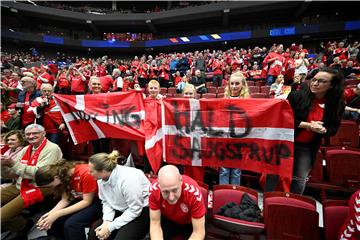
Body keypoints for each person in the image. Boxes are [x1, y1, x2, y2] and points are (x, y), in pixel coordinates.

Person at [266, 68, 345, 194]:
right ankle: (268, 203)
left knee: (299, 179)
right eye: (314, 80)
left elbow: (333, 129)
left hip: (307, 147)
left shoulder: (336, 105)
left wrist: (323, 130)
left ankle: (293, 207)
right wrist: (308, 125)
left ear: (332, 86)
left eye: (321, 81)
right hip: (285, 142)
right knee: (274, 175)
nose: (315, 83)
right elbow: (284, 120)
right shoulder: (296, 96)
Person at [0, 124, 63, 237]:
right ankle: (17, 223)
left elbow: (40, 174)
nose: (31, 136)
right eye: (28, 134)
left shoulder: (52, 148)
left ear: (44, 134)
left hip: (39, 187)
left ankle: (22, 224)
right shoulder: (26, 149)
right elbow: (12, 174)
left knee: (1, 217)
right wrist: (3, 166)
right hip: (20, 185)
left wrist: (13, 163)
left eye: (35, 133)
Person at [88, 150, 150, 240]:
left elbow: (135, 209)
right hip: (121, 208)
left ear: (103, 171)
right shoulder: (100, 179)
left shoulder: (128, 180)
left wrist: (110, 228)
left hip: (141, 211)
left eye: (91, 171)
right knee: (94, 235)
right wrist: (107, 221)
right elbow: (106, 201)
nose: (89, 174)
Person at [35, 160, 102, 240]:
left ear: (56, 178)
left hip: (98, 201)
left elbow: (87, 201)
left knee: (72, 224)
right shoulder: (63, 176)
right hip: (81, 199)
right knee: (55, 222)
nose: (52, 188)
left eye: (51, 185)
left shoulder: (85, 173)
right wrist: (49, 215)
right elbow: (65, 199)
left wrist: (57, 214)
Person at [149, 165, 206, 240]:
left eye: (174, 190)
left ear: (181, 181)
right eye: (165, 192)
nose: (171, 197)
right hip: (169, 220)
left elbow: (198, 232)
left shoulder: (193, 192)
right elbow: (155, 224)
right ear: (159, 184)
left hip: (191, 222)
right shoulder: (154, 190)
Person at [220, 72, 250, 185]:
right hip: (225, 140)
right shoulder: (223, 100)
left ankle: (234, 195)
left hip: (239, 140)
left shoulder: (248, 102)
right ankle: (223, 195)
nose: (234, 86)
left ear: (242, 85)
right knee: (224, 170)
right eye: (231, 83)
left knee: (236, 171)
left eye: (237, 83)